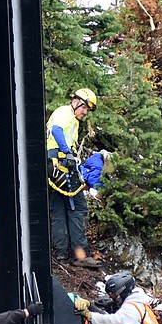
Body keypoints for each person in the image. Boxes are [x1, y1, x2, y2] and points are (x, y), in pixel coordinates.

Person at [47, 88, 99, 268]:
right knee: (77, 209)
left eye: (87, 110)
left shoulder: (73, 121)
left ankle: (61, 253)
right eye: (84, 108)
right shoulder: (65, 113)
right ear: (76, 102)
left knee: (59, 211)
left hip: (53, 168)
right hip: (61, 167)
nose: (85, 113)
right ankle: (80, 255)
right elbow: (56, 131)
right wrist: (68, 153)